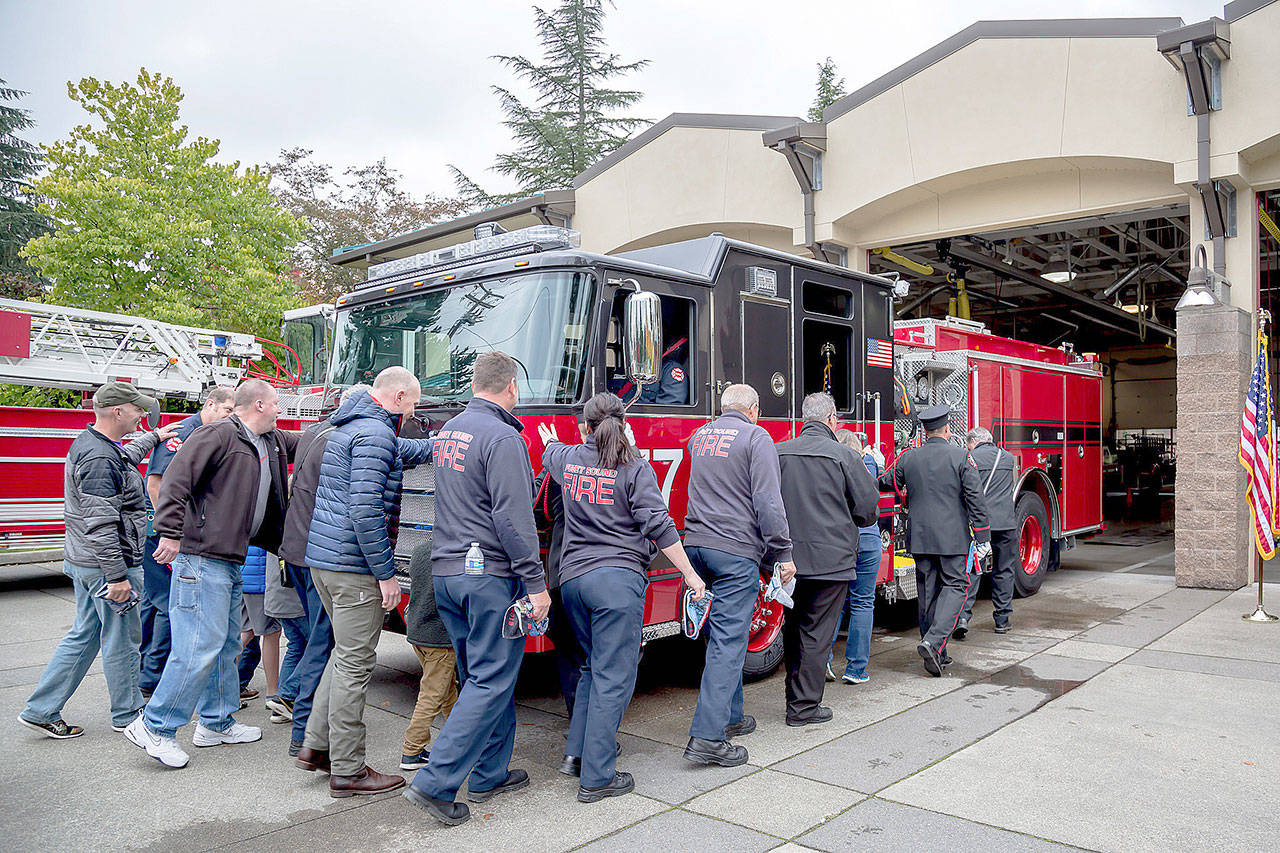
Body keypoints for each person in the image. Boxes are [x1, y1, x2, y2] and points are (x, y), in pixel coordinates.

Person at [403, 351, 549, 827]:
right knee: (492, 679)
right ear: (511, 388)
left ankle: (489, 773)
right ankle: (435, 781)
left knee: (482, 677)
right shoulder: (503, 437)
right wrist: (534, 582)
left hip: (447, 574)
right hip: (487, 577)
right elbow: (513, 516)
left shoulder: (451, 431)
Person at [539, 392, 707, 802]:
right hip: (616, 584)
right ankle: (597, 777)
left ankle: (576, 755)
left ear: (586, 426)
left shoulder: (570, 459)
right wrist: (690, 575)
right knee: (615, 677)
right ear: (624, 423)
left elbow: (551, 453)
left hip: (573, 581)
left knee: (592, 669)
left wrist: (548, 441)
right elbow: (659, 526)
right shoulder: (635, 467)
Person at [125, 379, 297, 768]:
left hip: (230, 557)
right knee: (199, 645)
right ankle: (155, 726)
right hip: (201, 558)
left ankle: (216, 722)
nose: (280, 412)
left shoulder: (268, 441)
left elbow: (313, 442)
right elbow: (174, 481)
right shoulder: (215, 435)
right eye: (276, 406)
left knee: (224, 644)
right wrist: (168, 531)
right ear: (258, 405)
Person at [295, 367, 434, 798]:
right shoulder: (374, 434)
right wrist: (386, 574)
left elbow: (401, 450)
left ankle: (317, 748)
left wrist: (444, 442)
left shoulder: (353, 424)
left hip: (325, 561)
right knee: (356, 665)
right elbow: (365, 511)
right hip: (354, 568)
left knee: (342, 657)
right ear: (396, 396)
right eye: (412, 403)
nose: (413, 411)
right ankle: (349, 770)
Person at [19, 382, 178, 738]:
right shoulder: (100, 458)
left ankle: (41, 709)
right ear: (117, 411)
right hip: (107, 566)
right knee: (122, 640)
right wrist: (118, 578)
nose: (141, 414)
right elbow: (102, 523)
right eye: (137, 409)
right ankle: (128, 713)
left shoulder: (97, 444)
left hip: (87, 562)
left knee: (85, 635)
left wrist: (154, 436)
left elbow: (125, 459)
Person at [681, 384, 795, 767]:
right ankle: (708, 737)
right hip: (733, 551)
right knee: (730, 642)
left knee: (717, 635)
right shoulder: (756, 437)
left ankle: (731, 716)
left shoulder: (700, 436)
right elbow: (767, 499)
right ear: (754, 409)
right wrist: (782, 551)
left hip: (695, 547)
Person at [275, 383, 371, 757]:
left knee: (317, 641)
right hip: (320, 554)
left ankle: (302, 720)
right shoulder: (344, 440)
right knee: (323, 643)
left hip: (297, 552)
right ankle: (304, 732)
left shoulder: (315, 432)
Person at [775, 393, 880, 727]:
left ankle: (796, 699)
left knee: (794, 629)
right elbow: (867, 511)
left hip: (787, 560)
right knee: (818, 633)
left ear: (804, 418)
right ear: (833, 419)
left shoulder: (779, 452)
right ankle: (804, 707)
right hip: (831, 561)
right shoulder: (845, 456)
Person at [880, 405, 990, 677]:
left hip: (919, 537)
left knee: (928, 591)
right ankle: (933, 641)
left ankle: (937, 652)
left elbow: (886, 482)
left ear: (925, 430)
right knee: (957, 586)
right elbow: (975, 499)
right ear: (947, 429)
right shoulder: (962, 457)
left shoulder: (908, 457)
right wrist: (984, 536)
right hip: (953, 538)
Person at [139, 387, 234, 698]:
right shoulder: (184, 434)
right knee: (167, 607)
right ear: (210, 405)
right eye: (227, 411)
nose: (230, 417)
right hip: (166, 538)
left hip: (174, 535)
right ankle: (153, 682)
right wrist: (170, 532)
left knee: (158, 608)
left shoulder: (208, 434)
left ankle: (147, 677)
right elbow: (156, 485)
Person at [534, 408, 589, 719]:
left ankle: (576, 721)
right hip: (605, 577)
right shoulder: (628, 463)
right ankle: (592, 734)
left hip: (561, 573)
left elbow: (540, 512)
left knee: (569, 656)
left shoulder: (562, 464)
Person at [827, 430, 884, 685]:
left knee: (833, 604)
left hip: (841, 542)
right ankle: (856, 669)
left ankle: (824, 662)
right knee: (863, 603)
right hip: (869, 541)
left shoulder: (831, 464)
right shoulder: (868, 463)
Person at [399, 545, 460, 771]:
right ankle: (411, 751)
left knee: (446, 689)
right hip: (439, 637)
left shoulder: (420, 551)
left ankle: (458, 739)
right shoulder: (453, 552)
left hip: (417, 631)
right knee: (432, 695)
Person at [956, 427, 1017, 637]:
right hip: (1007, 524)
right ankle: (1002, 619)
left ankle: (962, 618)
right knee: (1004, 570)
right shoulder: (1008, 458)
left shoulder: (969, 458)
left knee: (973, 570)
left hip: (980, 525)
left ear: (972, 442)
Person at [263, 550, 307, 724]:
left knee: (296, 645)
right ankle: (286, 697)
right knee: (320, 646)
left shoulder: (275, 528)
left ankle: (280, 707)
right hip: (294, 598)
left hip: (277, 596)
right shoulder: (292, 530)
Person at [237, 546, 281, 701]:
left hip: (245, 573)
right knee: (271, 633)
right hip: (260, 578)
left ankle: (220, 688)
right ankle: (273, 693)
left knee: (246, 632)